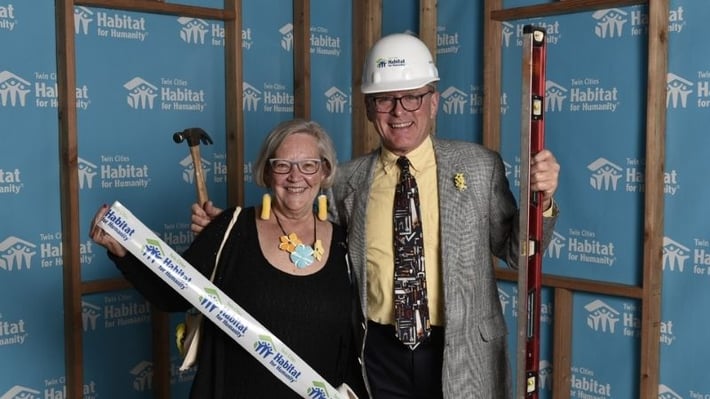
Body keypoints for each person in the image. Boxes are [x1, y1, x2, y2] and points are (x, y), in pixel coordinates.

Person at [193, 33, 560, 399]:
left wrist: (540, 202)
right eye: (385, 100)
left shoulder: (480, 167)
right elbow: (304, 236)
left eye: (413, 97)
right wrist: (229, 235)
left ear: (433, 102)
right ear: (370, 108)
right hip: (378, 355)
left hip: (463, 352)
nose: (400, 112)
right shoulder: (345, 182)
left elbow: (517, 253)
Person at [90, 119, 367, 399]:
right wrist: (122, 252)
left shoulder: (346, 241)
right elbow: (171, 295)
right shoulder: (231, 230)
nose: (295, 176)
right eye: (282, 165)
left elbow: (356, 338)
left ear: (325, 171)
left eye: (308, 165)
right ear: (267, 173)